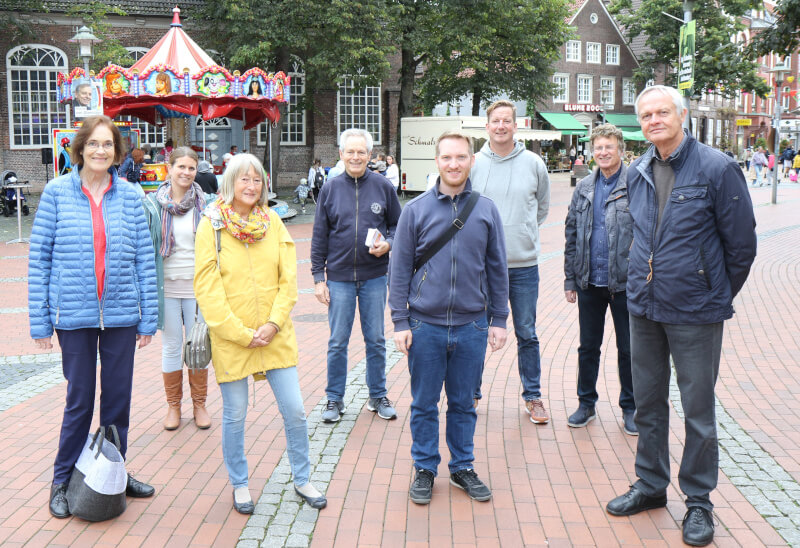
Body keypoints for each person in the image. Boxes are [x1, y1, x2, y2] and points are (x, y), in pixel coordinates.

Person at [605, 86, 757, 547]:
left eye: (662, 112)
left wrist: (712, 292)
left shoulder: (717, 167)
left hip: (695, 312)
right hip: (644, 307)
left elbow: (742, 246)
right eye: (646, 114)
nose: (654, 120)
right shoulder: (636, 170)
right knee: (648, 404)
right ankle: (651, 486)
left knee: (698, 412)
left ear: (682, 115)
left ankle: (698, 502)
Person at [28, 115, 158, 519]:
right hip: (75, 316)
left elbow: (144, 258)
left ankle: (113, 475)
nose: (101, 151)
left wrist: (148, 317)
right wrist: (40, 321)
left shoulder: (132, 196)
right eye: (93, 144)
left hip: (120, 314)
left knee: (118, 403)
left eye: (108, 144)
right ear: (79, 149)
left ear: (117, 152)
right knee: (79, 401)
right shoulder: (56, 193)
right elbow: (39, 259)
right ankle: (63, 480)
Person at [194, 153, 327, 514]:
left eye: (257, 180)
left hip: (275, 334)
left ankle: (302, 478)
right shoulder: (212, 225)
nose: (251, 186)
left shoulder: (273, 221)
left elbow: (288, 281)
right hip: (232, 338)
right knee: (235, 415)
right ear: (230, 183)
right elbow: (207, 288)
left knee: (296, 411)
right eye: (244, 179)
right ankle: (239, 484)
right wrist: (239, 333)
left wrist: (272, 324)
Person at [390, 130, 509, 505]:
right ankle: (425, 468)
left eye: (461, 157)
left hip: (472, 325)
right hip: (425, 325)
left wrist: (500, 319)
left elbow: (497, 268)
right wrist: (399, 322)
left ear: (471, 161)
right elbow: (399, 270)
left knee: (463, 403)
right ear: (437, 162)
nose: (454, 164)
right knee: (424, 403)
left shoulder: (486, 209)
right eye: (447, 158)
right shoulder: (415, 211)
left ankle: (462, 467)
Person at [311, 128, 402, 423]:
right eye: (350, 152)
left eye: (361, 152)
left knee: (375, 339)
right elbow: (319, 235)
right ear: (341, 154)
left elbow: (398, 227)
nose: (355, 157)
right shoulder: (330, 188)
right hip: (338, 279)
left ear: (370, 155)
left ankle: (377, 395)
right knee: (338, 341)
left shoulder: (383, 187)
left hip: (375, 276)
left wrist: (388, 243)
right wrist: (318, 277)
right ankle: (334, 399)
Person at [470, 99, 551, 423]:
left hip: (523, 266)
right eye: (496, 121)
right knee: (476, 332)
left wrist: (521, 232)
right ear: (487, 126)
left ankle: (533, 396)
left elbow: (541, 208)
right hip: (482, 268)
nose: (501, 126)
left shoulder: (534, 163)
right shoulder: (474, 163)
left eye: (507, 121)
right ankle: (470, 393)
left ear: (516, 126)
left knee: (527, 333)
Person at [563, 124, 635, 435]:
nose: (603, 152)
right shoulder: (584, 187)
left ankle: (631, 408)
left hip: (625, 283)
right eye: (598, 148)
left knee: (629, 348)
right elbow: (572, 233)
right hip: (589, 281)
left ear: (620, 149)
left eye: (609, 147)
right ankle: (586, 403)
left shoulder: (636, 184)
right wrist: (570, 279)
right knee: (588, 346)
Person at [142, 147, 215, 431]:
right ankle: (174, 406)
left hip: (198, 287)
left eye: (191, 168)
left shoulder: (207, 204)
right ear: (168, 168)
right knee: (172, 346)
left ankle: (200, 404)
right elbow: (146, 248)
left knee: (197, 346)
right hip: (167, 287)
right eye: (181, 167)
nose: (186, 173)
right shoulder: (152, 205)